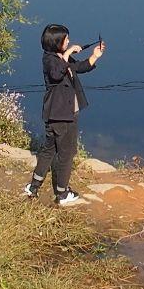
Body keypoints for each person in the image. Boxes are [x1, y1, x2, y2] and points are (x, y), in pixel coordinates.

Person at [25, 23, 105, 207]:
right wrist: (67, 54)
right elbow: (56, 74)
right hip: (62, 115)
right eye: (66, 39)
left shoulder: (61, 57)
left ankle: (33, 187)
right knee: (66, 154)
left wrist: (94, 56)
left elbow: (79, 67)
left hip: (60, 113)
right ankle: (62, 194)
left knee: (49, 150)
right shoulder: (50, 60)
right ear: (56, 42)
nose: (69, 41)